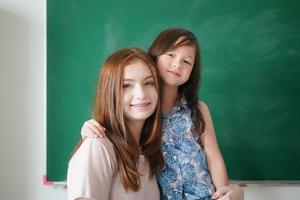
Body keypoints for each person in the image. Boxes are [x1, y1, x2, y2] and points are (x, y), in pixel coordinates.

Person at [80, 28, 244, 200]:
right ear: (155, 56)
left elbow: (212, 152)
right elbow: (117, 125)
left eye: (187, 61)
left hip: (203, 194)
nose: (177, 64)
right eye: (170, 55)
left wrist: (223, 192)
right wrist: (91, 127)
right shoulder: (143, 109)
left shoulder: (198, 109)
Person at [67, 48, 164, 200]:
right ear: (110, 93)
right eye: (126, 86)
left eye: (149, 83)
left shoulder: (147, 151)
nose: (141, 94)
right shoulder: (98, 146)